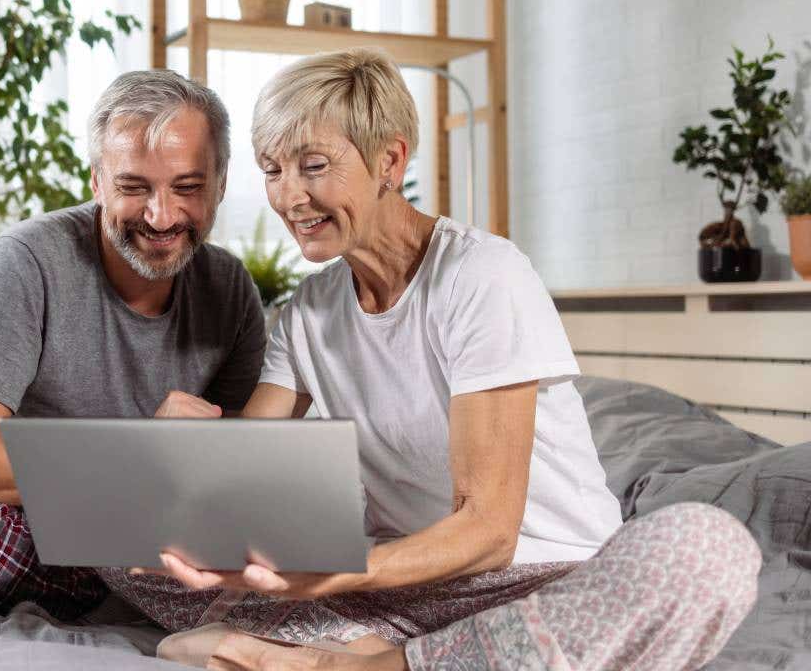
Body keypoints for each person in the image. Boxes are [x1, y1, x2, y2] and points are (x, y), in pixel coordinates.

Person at [101, 48, 761, 670]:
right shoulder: (306, 313)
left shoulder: (481, 277)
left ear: (390, 159)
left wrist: (343, 566)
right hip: (404, 593)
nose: (288, 197)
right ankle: (369, 650)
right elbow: (244, 477)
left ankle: (353, 660)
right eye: (272, 170)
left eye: (313, 166)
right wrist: (186, 451)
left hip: (536, 581)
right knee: (122, 537)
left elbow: (489, 533)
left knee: (708, 550)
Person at [0, 69, 267, 619]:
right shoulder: (25, 261)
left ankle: (122, 581)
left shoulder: (231, 291)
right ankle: (134, 587)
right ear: (97, 183)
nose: (161, 215)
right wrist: (141, 449)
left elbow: (236, 470)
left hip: (129, 513)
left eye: (187, 187)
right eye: (133, 187)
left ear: (220, 184)